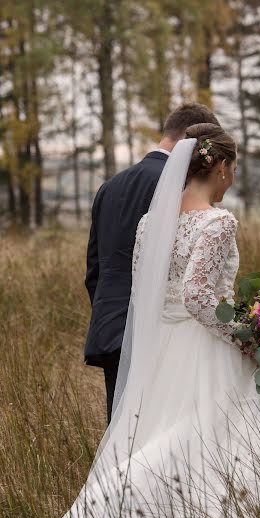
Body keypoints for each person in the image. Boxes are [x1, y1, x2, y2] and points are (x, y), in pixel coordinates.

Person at [19, 123, 260, 518]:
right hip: (205, 345)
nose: (233, 179)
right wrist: (252, 339)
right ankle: (150, 515)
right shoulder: (218, 222)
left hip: (160, 346)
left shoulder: (151, 223)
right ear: (220, 166)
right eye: (234, 168)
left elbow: (145, 292)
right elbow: (199, 298)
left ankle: (138, 517)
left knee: (161, 430)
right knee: (198, 434)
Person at [84, 103, 221, 424]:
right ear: (195, 141)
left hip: (110, 331)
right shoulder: (182, 188)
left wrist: (113, 316)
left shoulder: (110, 187)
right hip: (161, 335)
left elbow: (95, 271)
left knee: (122, 436)